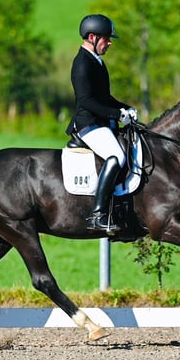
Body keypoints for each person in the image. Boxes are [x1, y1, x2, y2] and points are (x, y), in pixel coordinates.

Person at [66, 13, 138, 234]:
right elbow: (87, 101)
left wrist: (125, 108)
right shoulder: (82, 63)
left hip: (101, 122)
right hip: (89, 124)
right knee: (116, 156)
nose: (109, 43)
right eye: (106, 38)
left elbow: (105, 98)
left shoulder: (97, 61)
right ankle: (98, 215)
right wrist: (117, 115)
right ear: (92, 37)